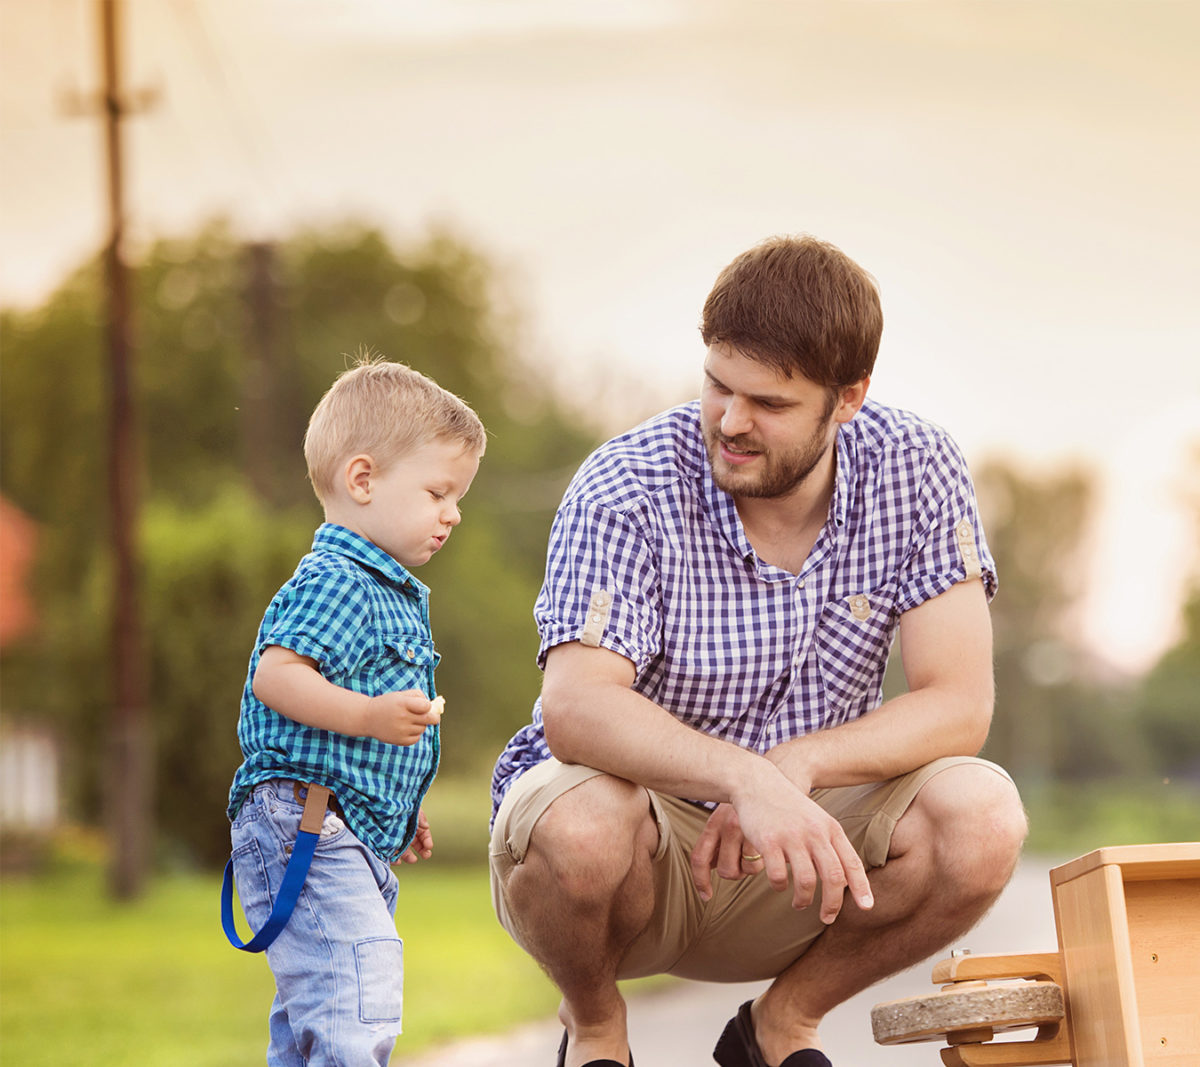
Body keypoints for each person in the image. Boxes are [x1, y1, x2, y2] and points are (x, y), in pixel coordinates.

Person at [488, 236, 1028, 1067]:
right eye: (717, 385)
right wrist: (743, 775)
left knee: (984, 817)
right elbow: (575, 707)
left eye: (768, 404)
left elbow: (960, 703)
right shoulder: (624, 484)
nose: (731, 422)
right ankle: (595, 1029)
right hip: (642, 853)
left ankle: (780, 1027)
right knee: (585, 822)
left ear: (847, 399)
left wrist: (795, 768)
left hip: (798, 852)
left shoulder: (918, 468)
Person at [225, 357, 485, 1065]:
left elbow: (350, 737)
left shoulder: (382, 586)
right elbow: (276, 676)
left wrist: (398, 809)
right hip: (303, 822)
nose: (453, 512)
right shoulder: (339, 578)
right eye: (439, 491)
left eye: (456, 496)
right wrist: (370, 714)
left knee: (318, 1014)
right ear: (363, 480)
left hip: (333, 821)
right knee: (355, 997)